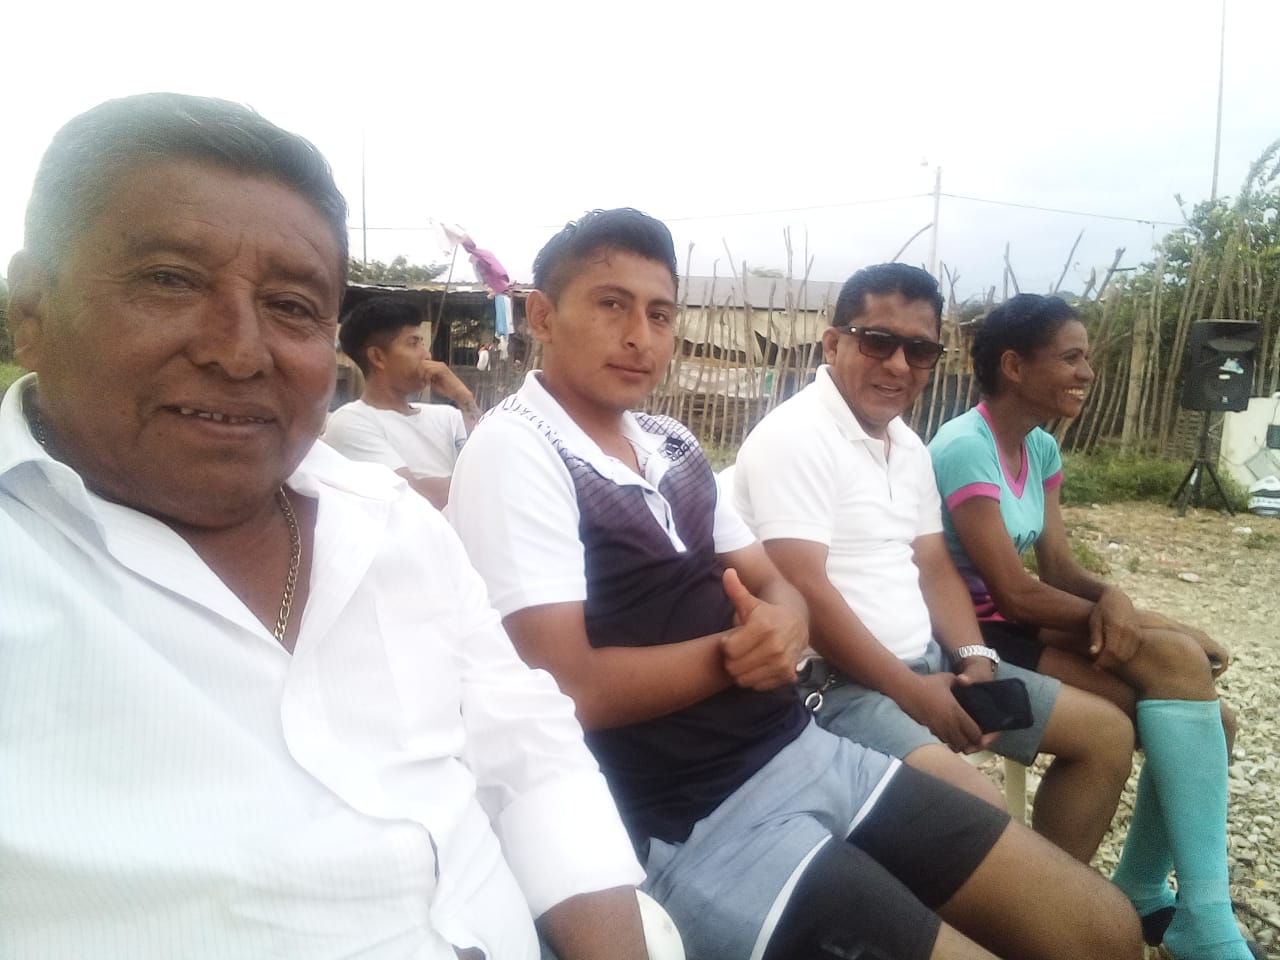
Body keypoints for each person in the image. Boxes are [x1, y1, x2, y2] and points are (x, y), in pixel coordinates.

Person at [0, 92, 650, 960]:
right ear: (32, 309)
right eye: (170, 280)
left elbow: (533, 750)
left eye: (292, 305)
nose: (238, 351)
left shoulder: (391, 523)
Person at [449, 208, 1142, 960]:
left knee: (1104, 930)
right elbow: (565, 688)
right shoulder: (518, 450)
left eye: (660, 313)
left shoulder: (670, 442)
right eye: (611, 304)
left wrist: (784, 620)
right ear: (542, 315)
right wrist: (737, 653)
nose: (640, 336)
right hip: (695, 819)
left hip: (802, 745)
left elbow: (773, 581)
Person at [731, 263, 1133, 864]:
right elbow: (803, 589)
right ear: (833, 344)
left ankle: (1047, 893)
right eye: (878, 341)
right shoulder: (796, 436)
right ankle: (1028, 896)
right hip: (838, 687)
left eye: (919, 350)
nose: (898, 364)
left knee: (1106, 736)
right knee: (982, 816)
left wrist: (975, 660)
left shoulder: (908, 445)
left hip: (930, 665)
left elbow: (934, 566)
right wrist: (916, 696)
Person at [929, 293, 1256, 960]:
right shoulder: (965, 447)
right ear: (1015, 366)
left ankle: (1150, 889)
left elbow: (1059, 567)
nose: (1087, 373)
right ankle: (1173, 914)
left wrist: (1115, 597)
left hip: (1020, 625)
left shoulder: (1040, 448)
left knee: (1210, 717)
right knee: (1172, 669)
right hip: (969, 637)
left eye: (1088, 359)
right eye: (1072, 358)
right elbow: (1014, 593)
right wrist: (1144, 619)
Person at [324, 296, 481, 509]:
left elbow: (495, 461)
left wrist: (464, 397)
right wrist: (483, 484)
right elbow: (415, 498)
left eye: (422, 343)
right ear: (378, 357)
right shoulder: (351, 421)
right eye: (413, 343)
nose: (426, 354)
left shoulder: (449, 416)